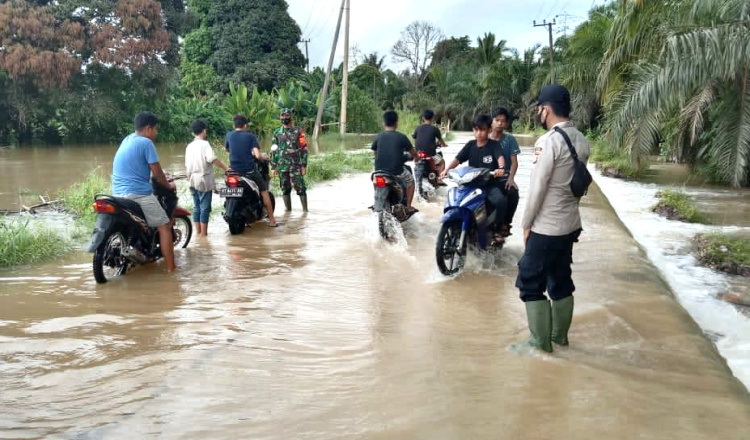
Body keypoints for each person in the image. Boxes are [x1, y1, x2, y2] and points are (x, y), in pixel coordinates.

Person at [513, 84, 591, 353]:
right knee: (560, 279)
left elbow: (537, 188)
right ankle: (560, 337)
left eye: (539, 109)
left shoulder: (548, 142)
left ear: (545, 110)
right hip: (570, 224)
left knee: (529, 281)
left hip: (547, 226)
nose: (538, 114)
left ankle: (539, 343)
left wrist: (525, 225)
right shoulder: (581, 139)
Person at [111, 111, 177, 272]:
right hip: (137, 195)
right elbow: (157, 172)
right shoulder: (146, 143)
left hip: (116, 194)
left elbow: (136, 167)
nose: (156, 133)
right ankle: (171, 270)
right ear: (148, 129)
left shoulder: (127, 139)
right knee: (164, 226)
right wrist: (168, 185)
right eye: (155, 129)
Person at [441, 114, 507, 242]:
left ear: (489, 130)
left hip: (489, 184)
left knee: (500, 201)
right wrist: (446, 170)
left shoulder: (494, 145)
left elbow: (500, 158)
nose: (479, 133)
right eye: (476, 129)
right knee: (455, 200)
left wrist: (501, 168)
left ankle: (497, 229)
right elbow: (458, 159)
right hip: (470, 184)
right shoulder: (470, 145)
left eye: (482, 130)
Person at [225, 114, 278, 227]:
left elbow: (227, 149)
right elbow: (258, 156)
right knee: (264, 191)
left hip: (233, 171)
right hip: (248, 171)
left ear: (234, 125)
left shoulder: (229, 135)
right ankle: (272, 220)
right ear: (245, 125)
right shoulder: (250, 136)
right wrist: (265, 156)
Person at [185, 119, 228, 237]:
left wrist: (188, 178)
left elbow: (187, 166)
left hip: (192, 179)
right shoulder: (205, 144)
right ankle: (204, 235)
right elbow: (212, 159)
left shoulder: (189, 146)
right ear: (204, 131)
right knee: (205, 208)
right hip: (204, 180)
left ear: (193, 132)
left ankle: (198, 233)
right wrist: (226, 168)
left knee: (196, 207)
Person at [372, 110, 418, 214]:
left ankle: (376, 203)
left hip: (378, 171)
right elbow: (413, 153)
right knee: (410, 181)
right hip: (396, 171)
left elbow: (375, 153)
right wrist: (417, 157)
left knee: (376, 182)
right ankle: (408, 206)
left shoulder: (378, 136)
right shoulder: (402, 137)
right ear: (396, 123)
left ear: (384, 123)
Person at [271, 108, 309, 212]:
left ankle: (305, 212)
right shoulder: (277, 133)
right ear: (280, 117)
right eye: (282, 116)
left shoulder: (298, 131)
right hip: (282, 166)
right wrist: (273, 167)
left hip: (295, 165)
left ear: (291, 117)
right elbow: (274, 150)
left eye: (287, 115)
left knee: (300, 187)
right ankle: (288, 212)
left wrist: (304, 165)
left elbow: (304, 149)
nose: (284, 118)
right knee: (285, 188)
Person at [490, 107, 521, 236]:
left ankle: (505, 224)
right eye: (497, 120)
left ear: (507, 124)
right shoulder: (483, 136)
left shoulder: (510, 140)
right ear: (491, 121)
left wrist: (511, 178)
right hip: (484, 178)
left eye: (503, 121)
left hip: (503, 179)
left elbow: (514, 161)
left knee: (513, 193)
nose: (499, 123)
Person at [412, 109, 447, 176]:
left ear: (423, 118)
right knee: (442, 162)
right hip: (431, 154)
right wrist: (444, 145)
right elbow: (441, 141)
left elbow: (415, 140)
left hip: (418, 154)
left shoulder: (418, 128)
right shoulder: (435, 129)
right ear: (433, 118)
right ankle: (440, 179)